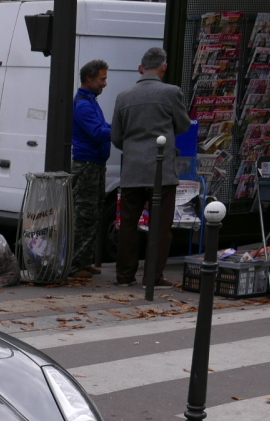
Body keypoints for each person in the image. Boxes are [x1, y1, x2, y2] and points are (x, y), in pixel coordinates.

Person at [111, 46, 191, 287]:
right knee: (160, 226)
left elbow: (116, 136)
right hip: (161, 171)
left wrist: (134, 148)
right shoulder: (171, 93)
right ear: (164, 68)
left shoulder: (123, 96)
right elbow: (184, 125)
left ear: (140, 68)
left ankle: (124, 275)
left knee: (127, 225)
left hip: (132, 170)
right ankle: (152, 277)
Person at [69, 60, 112, 279]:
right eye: (102, 79)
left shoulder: (90, 100)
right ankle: (76, 265)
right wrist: (120, 128)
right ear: (89, 78)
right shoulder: (84, 104)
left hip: (95, 164)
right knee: (85, 214)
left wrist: (110, 127)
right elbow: (98, 132)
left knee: (93, 213)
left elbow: (102, 128)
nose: (105, 83)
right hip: (87, 165)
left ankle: (84, 261)